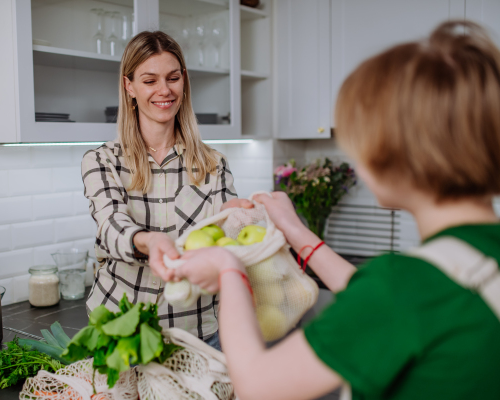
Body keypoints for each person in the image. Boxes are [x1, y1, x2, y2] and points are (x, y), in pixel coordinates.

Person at [173, 20, 500, 399]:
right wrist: (295, 231)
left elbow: (258, 386)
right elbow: (383, 296)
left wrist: (229, 269)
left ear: (397, 157)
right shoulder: (462, 265)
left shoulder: (400, 288)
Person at [81, 31, 250, 351]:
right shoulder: (102, 160)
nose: (164, 90)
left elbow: (227, 234)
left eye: (173, 78)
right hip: (121, 332)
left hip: (198, 334)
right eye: (149, 80)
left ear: (184, 82)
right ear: (129, 86)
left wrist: (241, 218)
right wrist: (150, 240)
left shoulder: (213, 163)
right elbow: (111, 226)